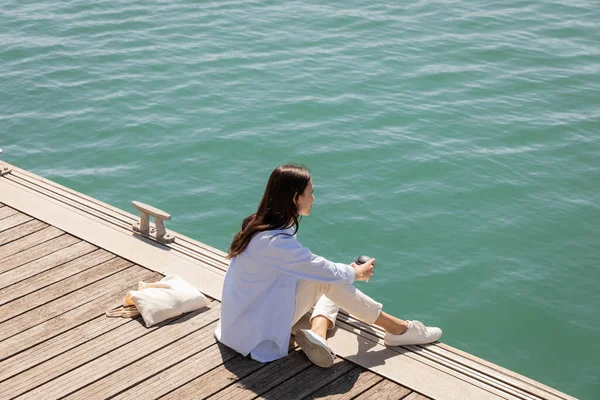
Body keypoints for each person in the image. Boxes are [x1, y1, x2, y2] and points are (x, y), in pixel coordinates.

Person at [214, 164, 442, 368]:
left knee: (330, 277)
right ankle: (398, 329)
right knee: (331, 279)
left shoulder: (258, 225)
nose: (314, 198)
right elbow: (318, 268)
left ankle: (318, 333)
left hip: (243, 322)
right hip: (256, 338)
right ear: (296, 198)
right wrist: (355, 272)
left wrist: (346, 273)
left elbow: (311, 266)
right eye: (310, 192)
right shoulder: (274, 242)